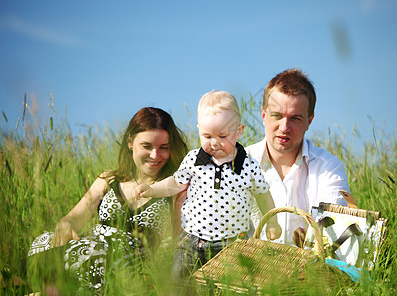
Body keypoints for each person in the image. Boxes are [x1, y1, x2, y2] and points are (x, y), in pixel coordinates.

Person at [25, 107, 188, 293]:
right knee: (44, 240)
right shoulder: (108, 180)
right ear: (129, 143)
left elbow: (178, 239)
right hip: (89, 251)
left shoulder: (174, 187)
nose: (155, 155)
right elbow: (73, 219)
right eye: (147, 146)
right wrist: (65, 226)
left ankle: (20, 279)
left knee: (93, 253)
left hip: (130, 266)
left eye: (163, 148)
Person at [134, 91, 282, 281]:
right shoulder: (194, 159)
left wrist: (272, 222)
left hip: (232, 242)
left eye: (222, 135)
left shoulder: (248, 165)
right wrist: (153, 190)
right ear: (198, 130)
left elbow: (263, 194)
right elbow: (175, 183)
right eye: (207, 135)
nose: (214, 143)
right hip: (191, 239)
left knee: (228, 285)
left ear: (239, 130)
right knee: (178, 282)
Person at [246, 68, 351, 247]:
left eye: (295, 118)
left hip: (309, 272)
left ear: (309, 121)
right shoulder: (238, 163)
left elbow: (332, 233)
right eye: (277, 116)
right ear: (264, 115)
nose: (284, 127)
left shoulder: (329, 168)